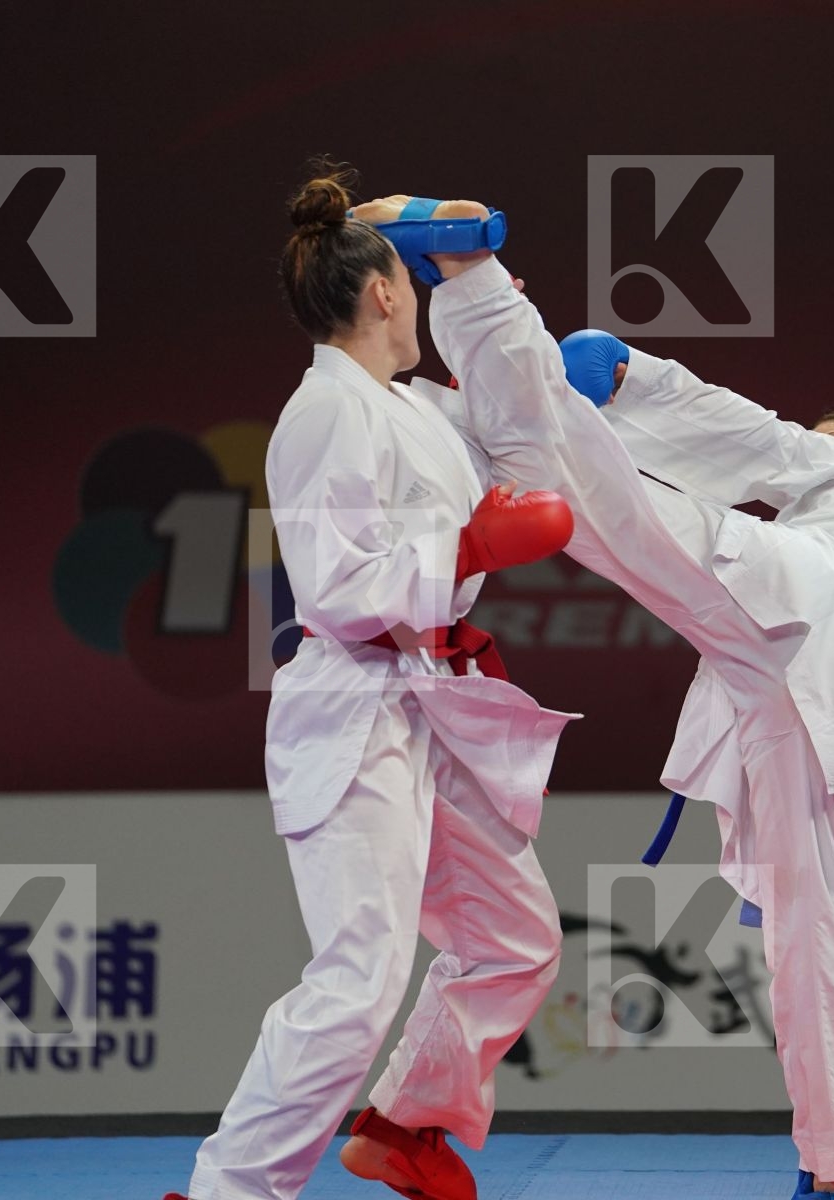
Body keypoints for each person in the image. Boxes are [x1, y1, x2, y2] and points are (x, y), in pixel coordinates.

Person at [348, 192, 834, 1199]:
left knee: (584, 490)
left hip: (806, 625)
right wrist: (623, 382)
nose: (813, 448)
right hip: (809, 708)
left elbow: (760, 441)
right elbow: (769, 465)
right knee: (812, 934)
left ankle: (473, 279)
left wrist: (630, 377)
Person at [166, 163, 578, 1200]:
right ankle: (227, 1194)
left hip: (430, 701)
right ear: (387, 293)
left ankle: (405, 1126)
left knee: (515, 941)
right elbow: (339, 587)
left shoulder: (414, 408)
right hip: (353, 702)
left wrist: (486, 284)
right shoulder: (324, 409)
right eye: (417, 280)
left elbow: (520, 452)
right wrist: (471, 541)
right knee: (357, 983)